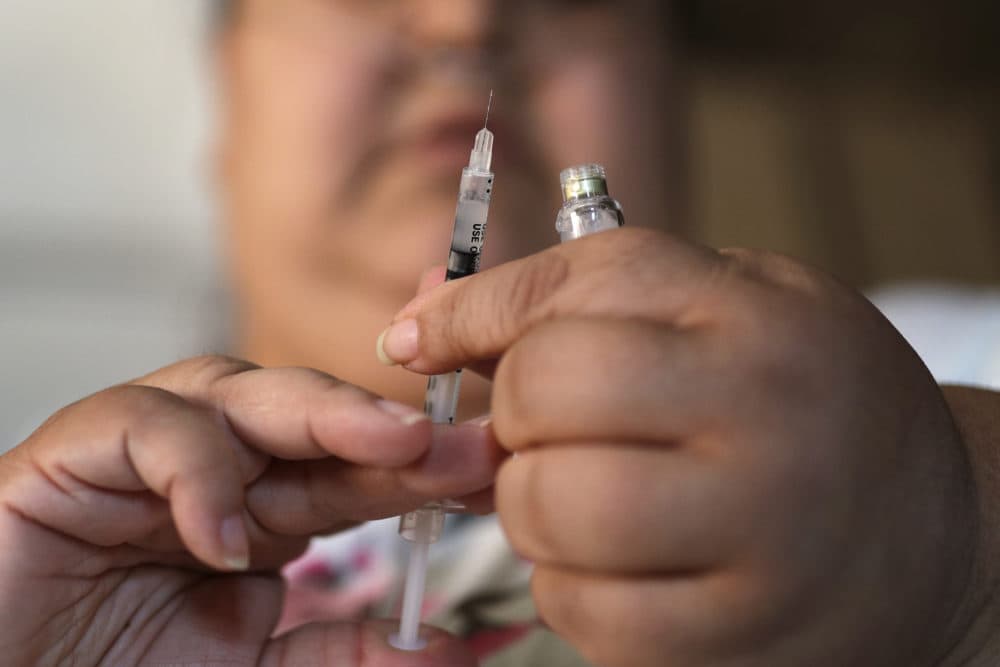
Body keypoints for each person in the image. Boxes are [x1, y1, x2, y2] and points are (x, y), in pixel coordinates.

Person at [1, 1, 999, 666]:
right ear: (225, 103)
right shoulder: (79, 542)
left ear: (674, 94)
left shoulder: (925, 375)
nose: (467, 17)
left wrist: (954, 534)